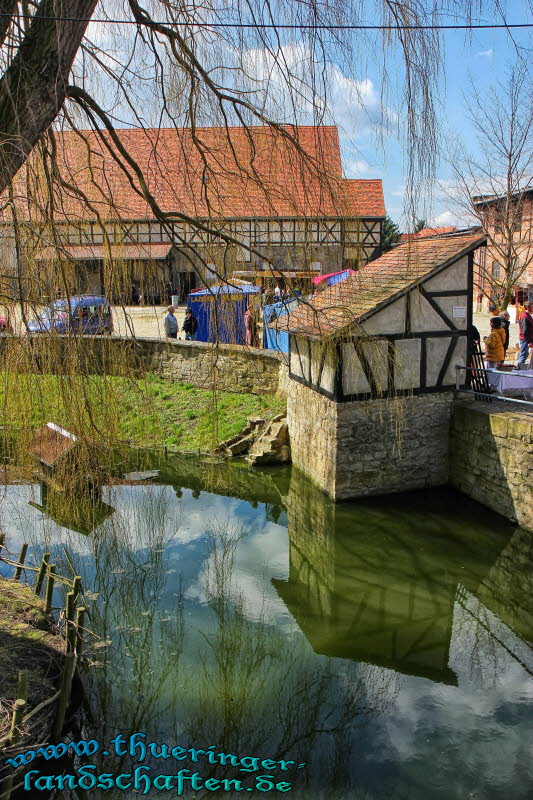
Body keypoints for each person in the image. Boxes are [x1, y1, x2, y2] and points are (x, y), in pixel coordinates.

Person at [517, 301, 533, 369]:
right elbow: (525, 330)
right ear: (528, 307)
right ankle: (519, 369)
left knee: (525, 354)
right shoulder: (524, 316)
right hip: (525, 339)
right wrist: (529, 341)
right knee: (524, 354)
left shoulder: (528, 315)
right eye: (532, 307)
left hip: (528, 339)